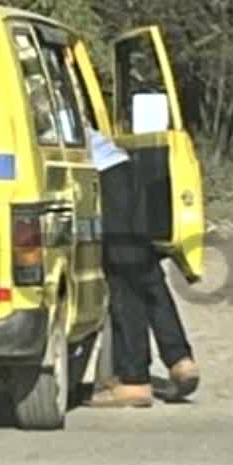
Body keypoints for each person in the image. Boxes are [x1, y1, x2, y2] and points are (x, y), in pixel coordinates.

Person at [83, 126, 200, 408]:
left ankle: (133, 380)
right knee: (147, 272)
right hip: (124, 170)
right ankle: (179, 359)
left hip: (105, 181)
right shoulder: (60, 92)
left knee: (122, 278)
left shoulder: (30, 94)